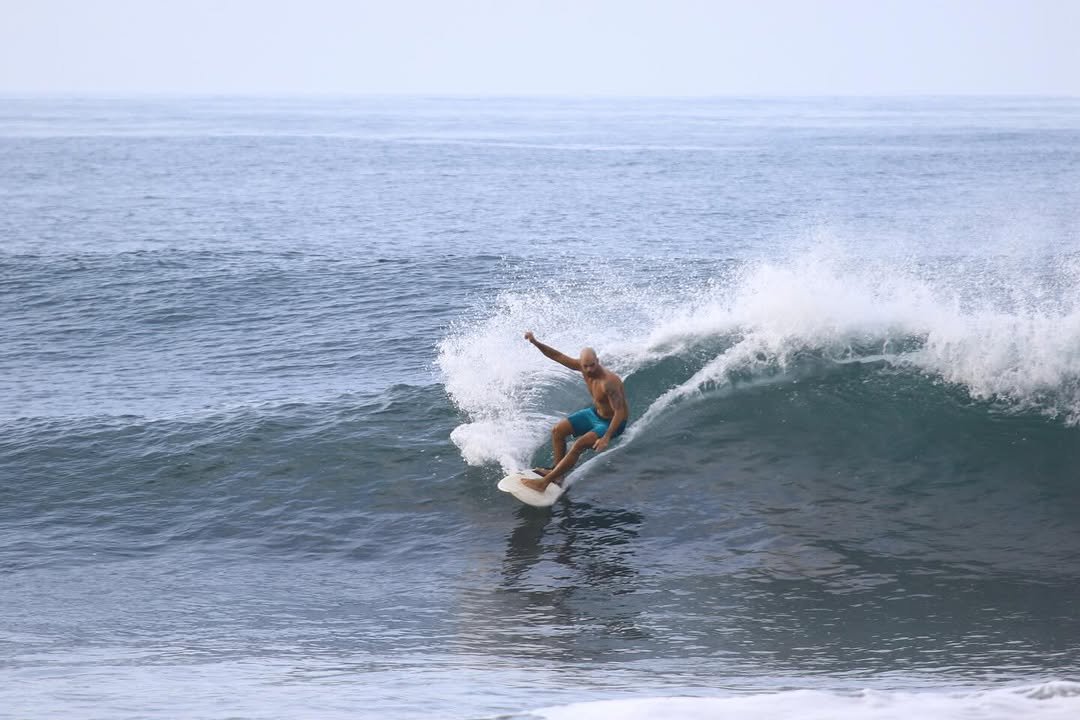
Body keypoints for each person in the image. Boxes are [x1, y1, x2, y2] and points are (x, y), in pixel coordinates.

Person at [522, 331, 629, 491]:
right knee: (558, 431)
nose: (589, 369)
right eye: (585, 366)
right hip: (595, 413)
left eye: (592, 365)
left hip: (611, 423)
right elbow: (557, 356)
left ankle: (544, 483)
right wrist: (536, 343)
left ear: (597, 361)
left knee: (578, 445)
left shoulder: (609, 382)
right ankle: (557, 475)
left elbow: (619, 412)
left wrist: (606, 437)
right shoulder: (582, 367)